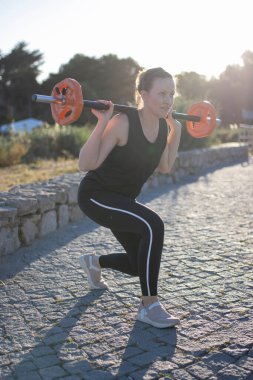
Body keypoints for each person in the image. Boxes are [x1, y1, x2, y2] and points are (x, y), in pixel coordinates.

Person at [77, 67, 182, 328]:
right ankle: (149, 306)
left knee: (138, 265)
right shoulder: (123, 122)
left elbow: (166, 166)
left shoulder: (161, 127)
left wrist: (176, 129)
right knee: (153, 224)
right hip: (96, 195)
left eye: (171, 94)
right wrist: (102, 122)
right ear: (143, 94)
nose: (168, 100)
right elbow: (86, 163)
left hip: (123, 201)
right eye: (161, 93)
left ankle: (94, 262)